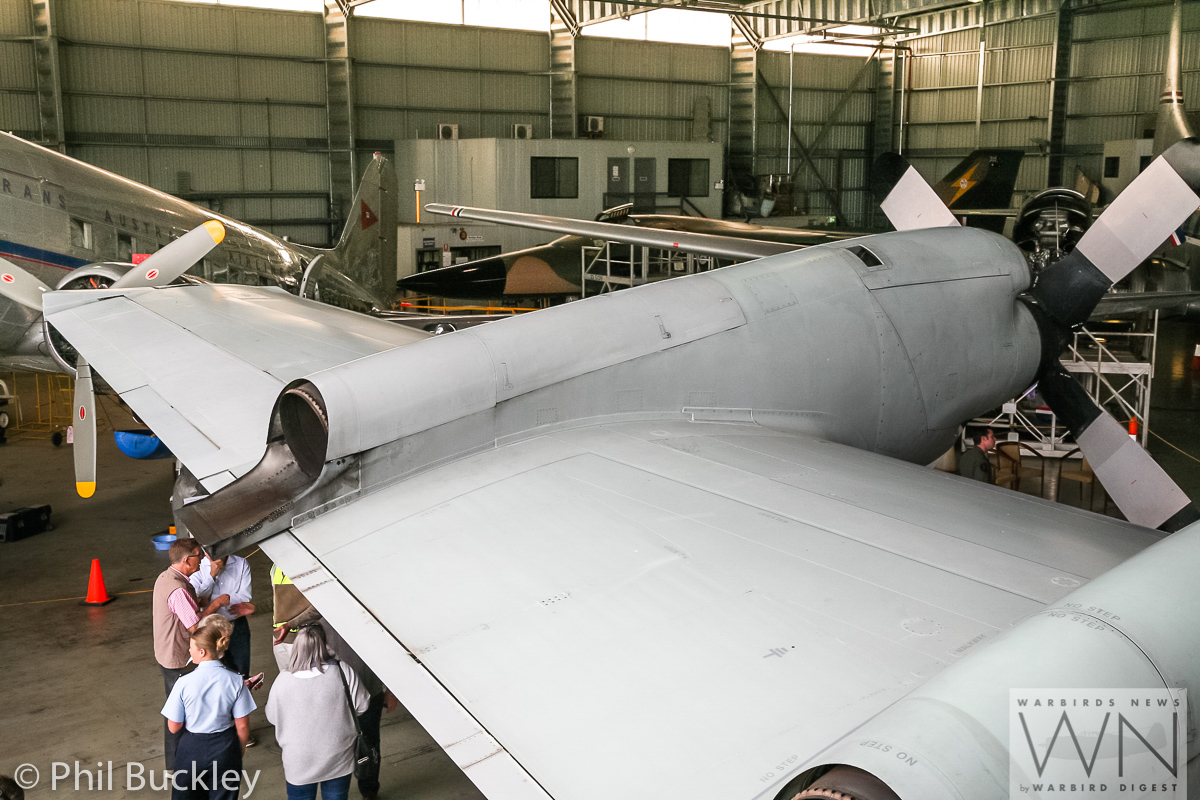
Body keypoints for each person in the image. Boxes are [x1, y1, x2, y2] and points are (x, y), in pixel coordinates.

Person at [272, 564, 397, 800]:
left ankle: (368, 789)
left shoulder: (330, 596)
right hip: (361, 686)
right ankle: (369, 791)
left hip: (338, 685)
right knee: (367, 744)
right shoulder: (373, 599)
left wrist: (291, 624)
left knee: (341, 742)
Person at [266, 625, 370, 800]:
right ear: (324, 644)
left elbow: (272, 717)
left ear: (296, 648)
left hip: (298, 759)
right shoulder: (343, 671)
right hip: (337, 754)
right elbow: (362, 705)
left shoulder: (283, 680)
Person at [154, 538, 230, 771]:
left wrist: (201, 598)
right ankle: (177, 766)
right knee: (179, 712)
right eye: (200, 556)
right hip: (178, 659)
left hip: (166, 653)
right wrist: (216, 605)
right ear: (187, 560)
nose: (204, 559)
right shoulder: (177, 590)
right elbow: (195, 627)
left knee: (177, 708)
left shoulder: (167, 577)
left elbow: (187, 608)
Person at [162, 617, 256, 800]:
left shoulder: (183, 682)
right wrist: (238, 750)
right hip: (225, 747)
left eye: (191, 647)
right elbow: (242, 726)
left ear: (202, 652)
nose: (189, 650)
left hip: (191, 748)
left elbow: (173, 726)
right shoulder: (236, 680)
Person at [188, 553, 255, 678]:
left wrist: (210, 601)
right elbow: (195, 597)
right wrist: (211, 576)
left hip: (236, 624)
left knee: (241, 673)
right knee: (212, 674)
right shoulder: (198, 566)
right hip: (208, 628)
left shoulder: (241, 563)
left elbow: (245, 597)